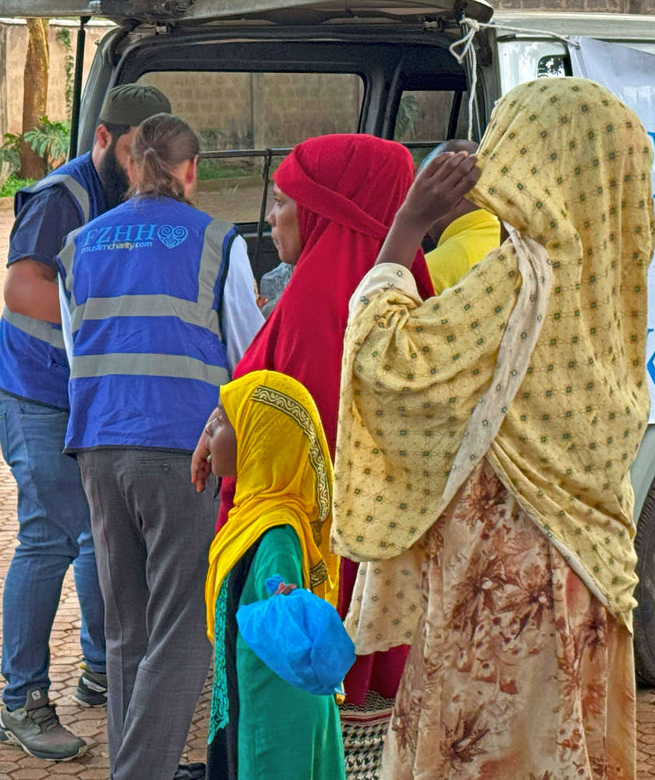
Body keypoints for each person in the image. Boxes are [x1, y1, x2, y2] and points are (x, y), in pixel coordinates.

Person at [332, 78, 655, 779]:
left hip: (510, 583)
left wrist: (407, 226)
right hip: (588, 567)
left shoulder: (524, 275)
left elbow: (389, 365)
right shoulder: (609, 277)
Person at [191, 133, 433, 778]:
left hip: (309, 566)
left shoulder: (318, 308)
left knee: (294, 728)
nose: (272, 219)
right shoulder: (400, 294)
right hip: (379, 569)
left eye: (284, 202)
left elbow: (297, 441)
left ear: (327, 209)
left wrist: (228, 438)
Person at [56, 113, 264, 780]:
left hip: (97, 448)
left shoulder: (81, 244)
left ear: (129, 166)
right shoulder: (215, 242)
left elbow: (75, 348)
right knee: (183, 629)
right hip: (182, 451)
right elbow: (248, 352)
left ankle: (133, 763)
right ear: (191, 171)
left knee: (127, 631)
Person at [0, 83, 171, 762]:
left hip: (92, 396)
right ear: (102, 139)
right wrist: (110, 327)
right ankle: (21, 702)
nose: (137, 169)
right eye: (129, 154)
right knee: (50, 537)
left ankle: (104, 670)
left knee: (103, 534)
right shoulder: (60, 197)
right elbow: (21, 286)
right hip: (38, 395)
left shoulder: (136, 197)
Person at [202, 369, 346, 780]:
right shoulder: (251, 517)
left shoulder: (276, 533)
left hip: (273, 721)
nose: (210, 430)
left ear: (260, 439)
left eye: (223, 420)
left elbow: (287, 637)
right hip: (255, 703)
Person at [418, 140, 502, 293]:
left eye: (421, 194)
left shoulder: (430, 272)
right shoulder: (513, 237)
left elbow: (372, 312)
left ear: (446, 192)